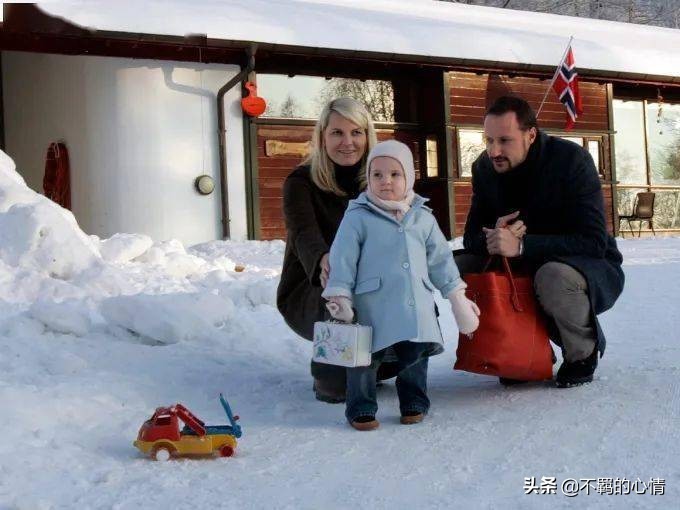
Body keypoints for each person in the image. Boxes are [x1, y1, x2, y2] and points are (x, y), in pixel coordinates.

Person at [459, 95, 624, 388]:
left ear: (531, 135)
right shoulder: (484, 167)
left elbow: (594, 241)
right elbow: (471, 237)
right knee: (454, 268)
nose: (494, 151)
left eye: (504, 141)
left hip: (581, 264)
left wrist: (524, 245)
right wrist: (494, 235)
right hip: (517, 263)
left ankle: (581, 353)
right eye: (489, 140)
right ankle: (518, 348)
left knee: (551, 275)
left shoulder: (571, 161)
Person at [322, 140, 480, 431]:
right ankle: (361, 408)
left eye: (395, 174)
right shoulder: (357, 216)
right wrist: (340, 294)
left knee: (415, 355)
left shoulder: (422, 217)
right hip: (371, 304)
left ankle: (414, 401)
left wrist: (456, 295)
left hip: (414, 301)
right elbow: (343, 258)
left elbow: (440, 260)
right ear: (368, 178)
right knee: (364, 359)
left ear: (408, 177)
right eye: (377, 174)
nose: (386, 181)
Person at [278, 97, 391, 404]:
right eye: (337, 133)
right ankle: (329, 371)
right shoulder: (301, 182)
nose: (348, 142)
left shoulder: (381, 179)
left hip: (371, 282)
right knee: (338, 388)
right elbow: (304, 233)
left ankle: (383, 359)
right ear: (322, 137)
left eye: (356, 132)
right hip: (315, 285)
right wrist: (323, 259)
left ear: (367, 136)